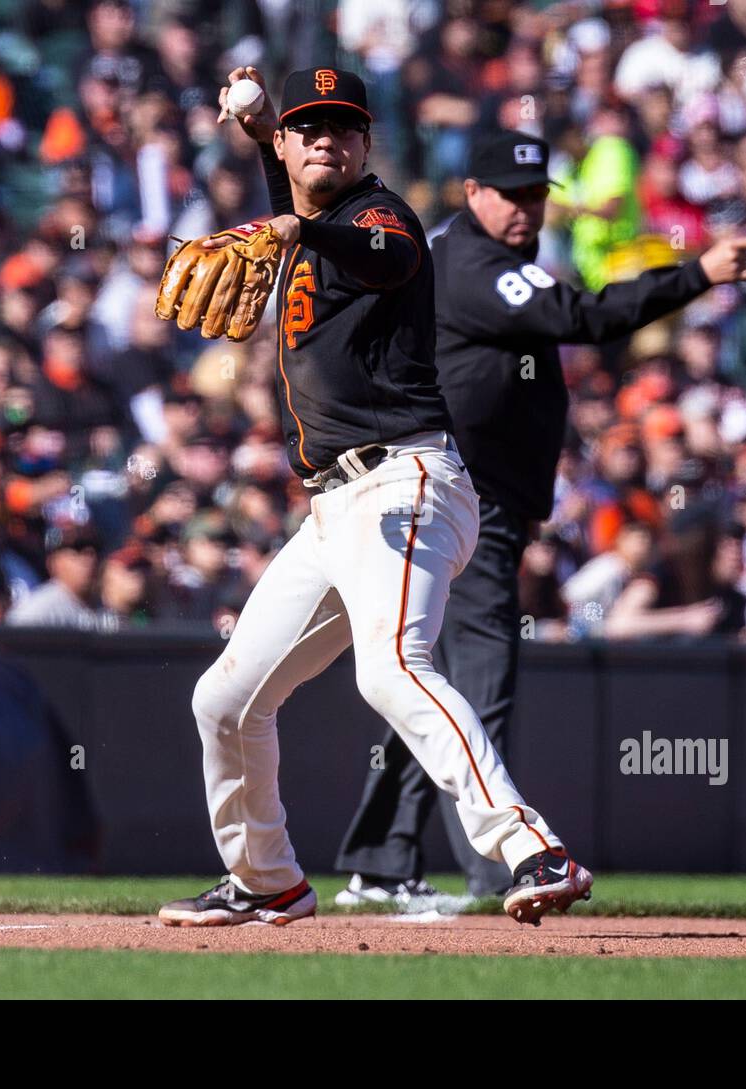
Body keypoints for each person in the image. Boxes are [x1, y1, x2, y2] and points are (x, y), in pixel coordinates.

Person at [157, 70, 593, 929]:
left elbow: (379, 253)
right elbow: (292, 187)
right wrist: (255, 126)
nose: (327, 140)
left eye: (345, 128)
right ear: (287, 144)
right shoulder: (307, 202)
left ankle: (531, 845)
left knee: (392, 668)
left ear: (366, 145)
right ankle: (267, 878)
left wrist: (285, 208)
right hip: (333, 509)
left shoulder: (380, 216)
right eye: (307, 127)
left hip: (408, 480)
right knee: (225, 700)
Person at [335, 129, 746, 901]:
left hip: (466, 503)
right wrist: (696, 272)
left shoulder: (485, 261)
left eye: (537, 195)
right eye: (511, 192)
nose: (526, 207)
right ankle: (486, 866)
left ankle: (381, 856)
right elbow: (587, 315)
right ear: (472, 192)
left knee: (430, 682)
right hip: (459, 503)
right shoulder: (470, 263)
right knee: (478, 682)